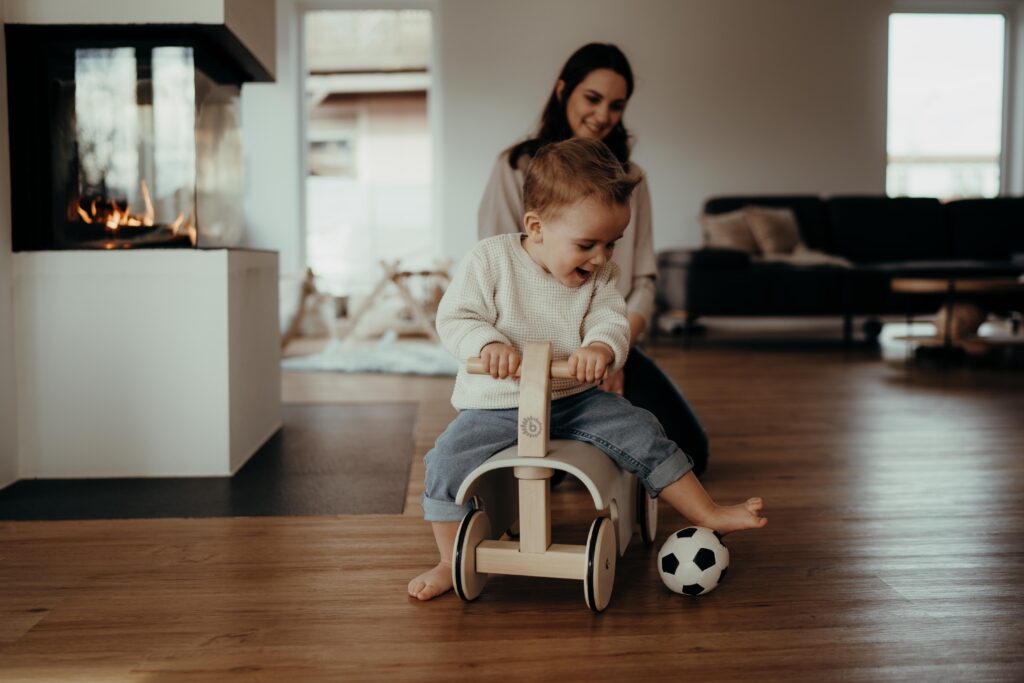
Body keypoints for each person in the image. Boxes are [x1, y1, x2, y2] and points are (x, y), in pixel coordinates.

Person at [408, 138, 765, 602]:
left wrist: (600, 346)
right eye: (586, 244)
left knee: (642, 428)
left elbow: (610, 320)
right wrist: (488, 343)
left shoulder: (602, 278)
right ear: (536, 227)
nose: (600, 257)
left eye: (611, 243)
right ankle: (446, 559)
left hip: (574, 399)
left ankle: (708, 511)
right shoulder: (489, 260)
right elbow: (456, 317)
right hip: (495, 405)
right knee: (444, 462)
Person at [478, 43, 710, 477]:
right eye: (593, 98)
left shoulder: (630, 179)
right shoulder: (514, 167)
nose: (603, 114)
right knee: (526, 468)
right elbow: (495, 267)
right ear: (563, 90)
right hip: (533, 346)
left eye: (616, 105)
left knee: (691, 452)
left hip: (609, 334)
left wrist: (610, 353)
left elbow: (642, 280)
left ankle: (604, 446)